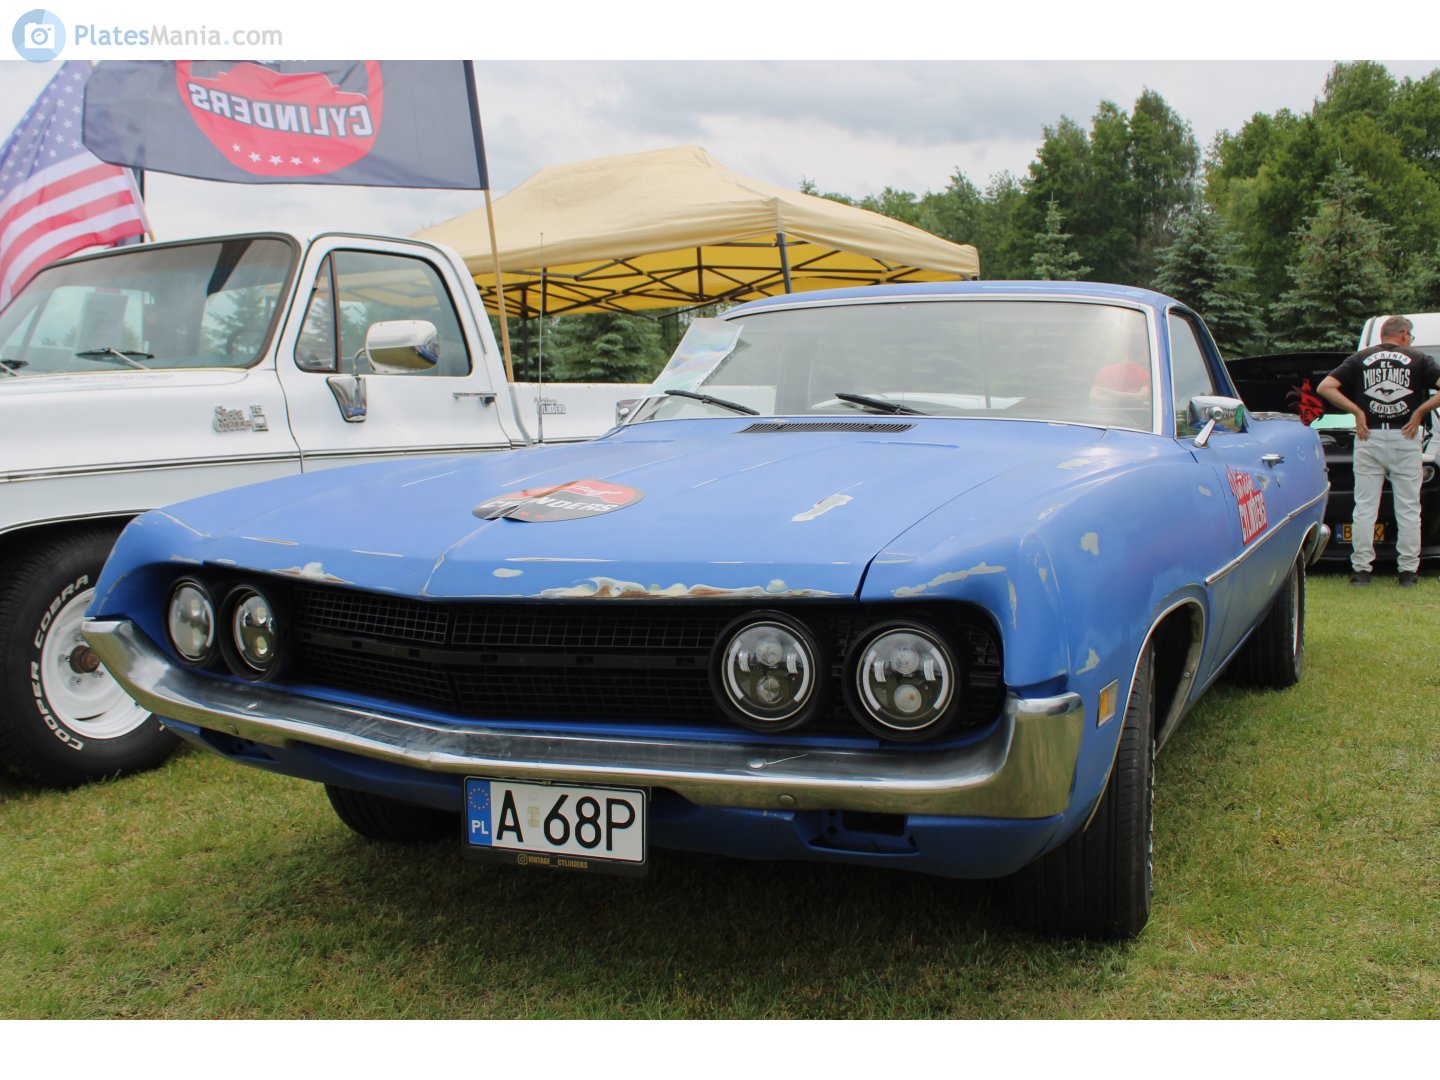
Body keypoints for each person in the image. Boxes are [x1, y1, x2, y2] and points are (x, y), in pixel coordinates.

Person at [1318, 316, 1440, 587]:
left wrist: (1357, 411)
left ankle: (1362, 570)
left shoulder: (1360, 358)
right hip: (1405, 436)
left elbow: (1325, 387)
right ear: (1404, 335)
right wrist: (1420, 411)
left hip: (1368, 435)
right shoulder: (1418, 358)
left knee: (1364, 507)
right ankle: (1408, 572)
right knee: (1409, 507)